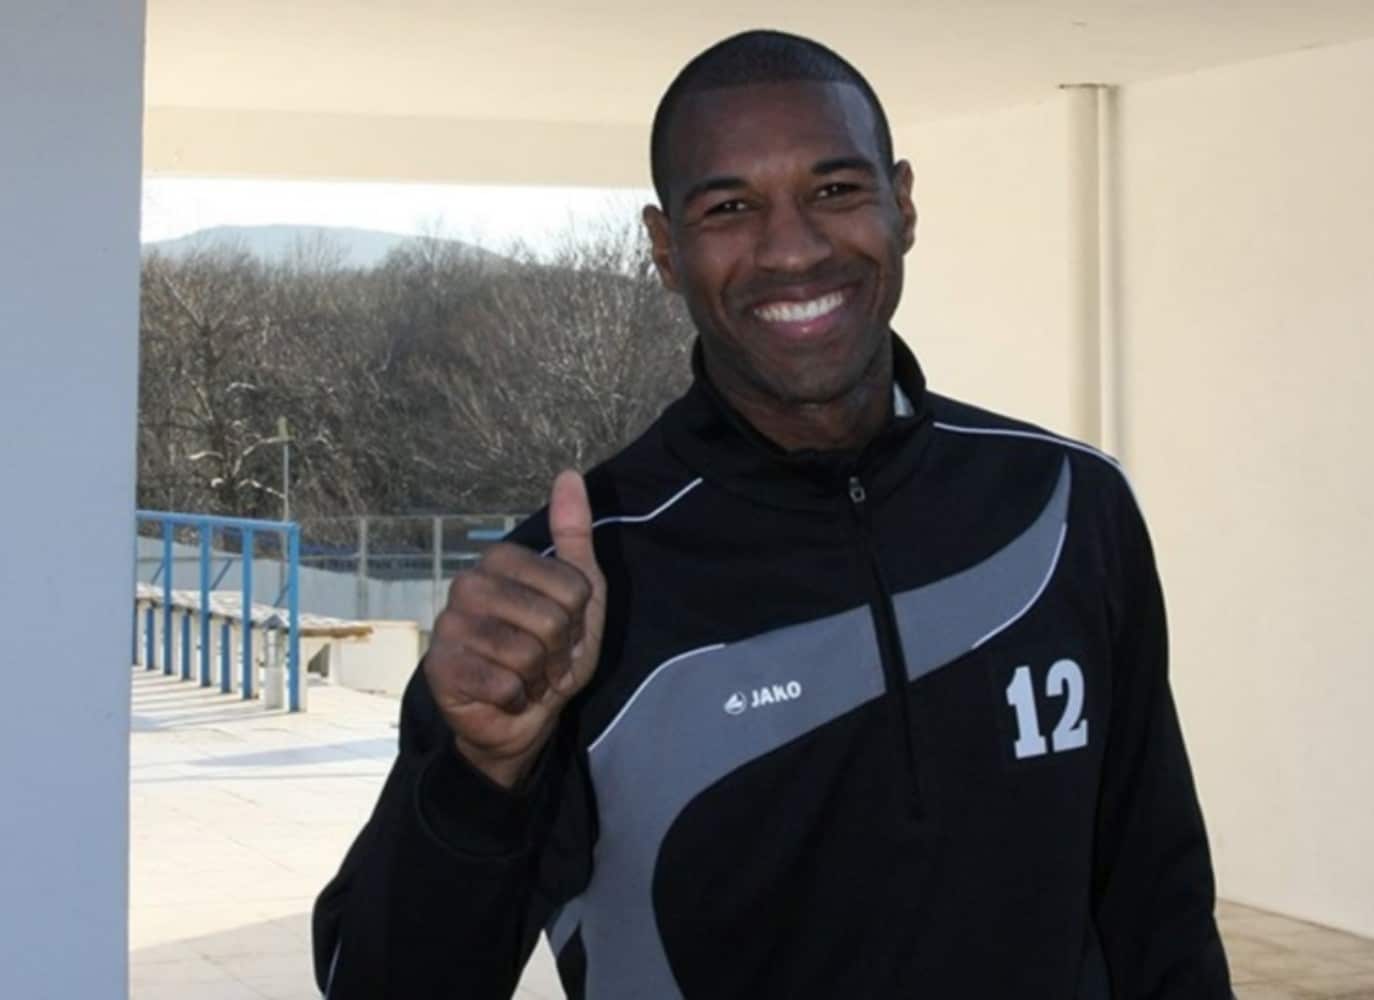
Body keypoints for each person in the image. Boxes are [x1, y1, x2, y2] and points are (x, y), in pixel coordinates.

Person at [313, 29, 1233, 999]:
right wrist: (480, 774)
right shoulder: (565, 592)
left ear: (902, 204)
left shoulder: (1067, 503)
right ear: (664, 249)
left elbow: (1158, 901)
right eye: (729, 207)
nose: (793, 249)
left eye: (834, 189)